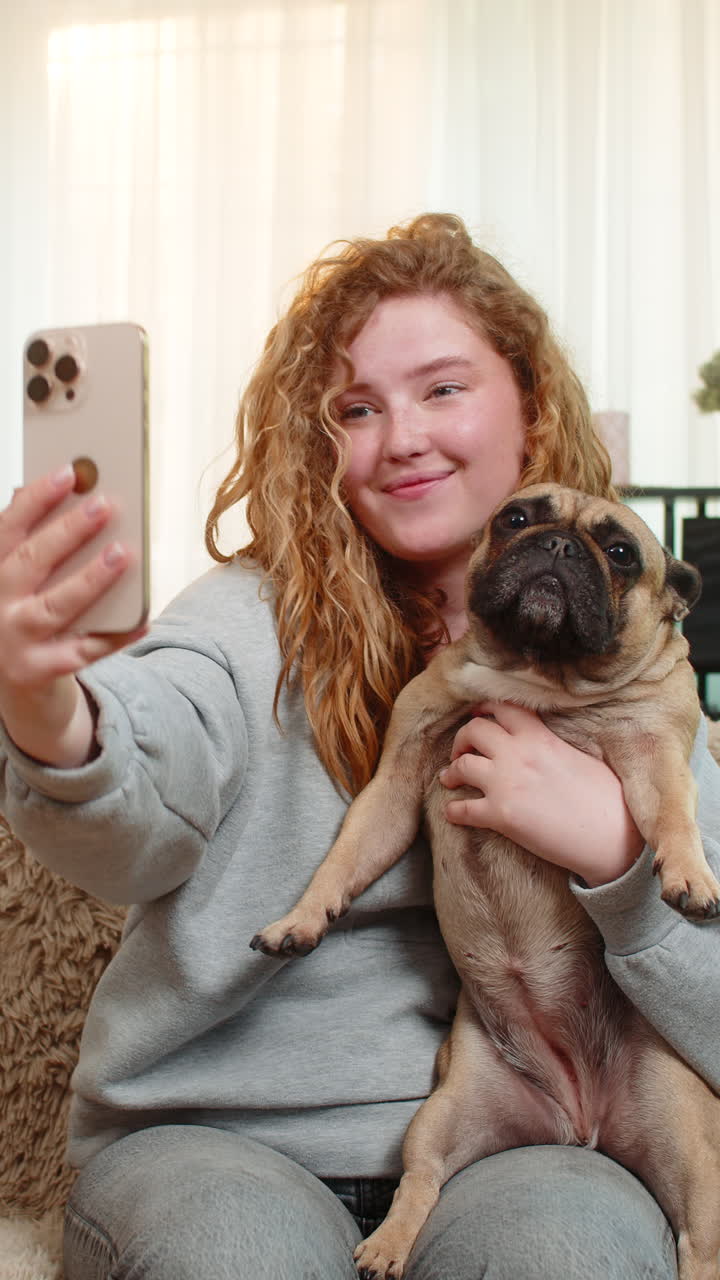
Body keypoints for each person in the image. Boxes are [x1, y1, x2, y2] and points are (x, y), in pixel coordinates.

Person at [0, 213, 718, 1280]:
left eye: (443, 388)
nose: (403, 436)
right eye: (356, 407)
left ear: (529, 406)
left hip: (524, 1135)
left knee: (573, 1249)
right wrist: (47, 707)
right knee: (234, 1256)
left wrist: (617, 854)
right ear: (318, 443)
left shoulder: (641, 689)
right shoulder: (250, 617)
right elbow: (135, 806)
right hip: (219, 1138)